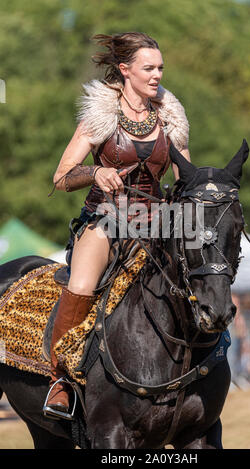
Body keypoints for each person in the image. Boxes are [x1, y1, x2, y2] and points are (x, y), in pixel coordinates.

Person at [44, 32, 191, 419]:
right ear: (125, 70)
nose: (157, 75)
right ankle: (61, 381)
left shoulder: (170, 116)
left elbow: (184, 176)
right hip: (106, 218)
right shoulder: (100, 115)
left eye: (160, 67)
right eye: (149, 68)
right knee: (81, 286)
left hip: (156, 221)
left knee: (195, 271)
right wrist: (95, 172)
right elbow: (60, 177)